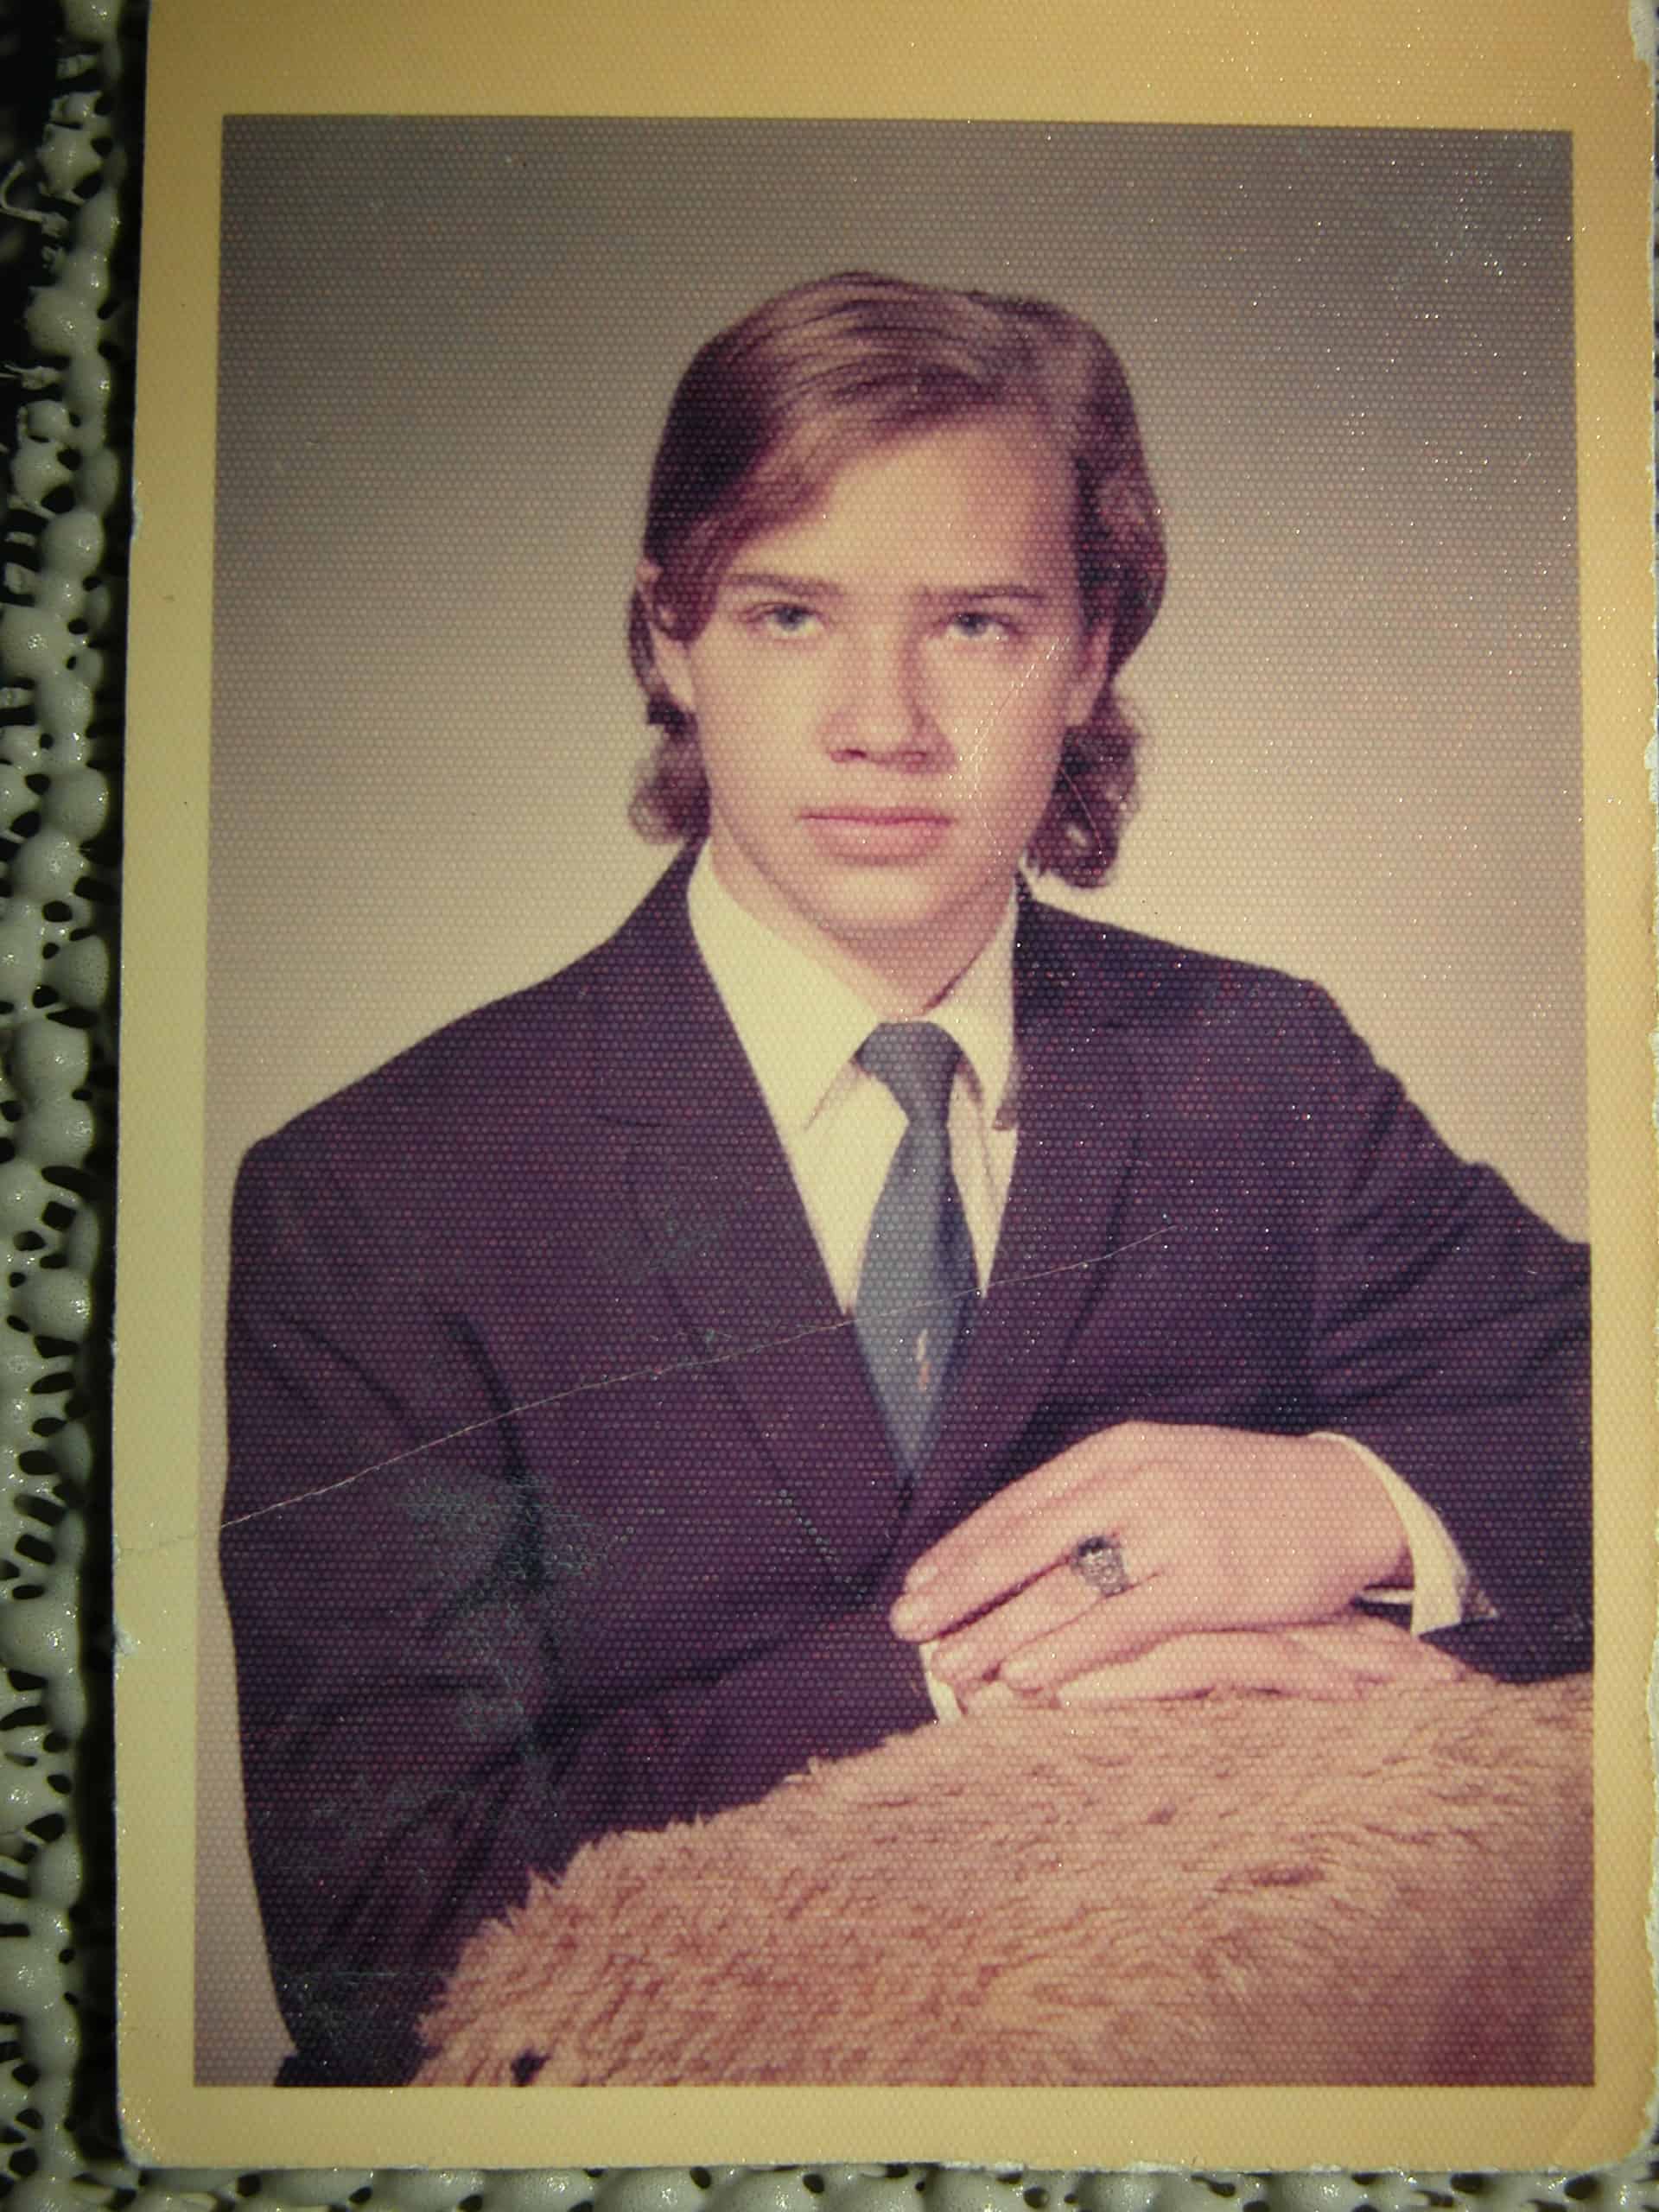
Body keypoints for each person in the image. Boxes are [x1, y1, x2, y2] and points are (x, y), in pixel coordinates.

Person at [220, 272, 1590, 2087]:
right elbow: (375, 1929)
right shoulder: (376, 1196)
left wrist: (1337, 1506)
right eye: (790, 614)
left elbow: (1618, 1411)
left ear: (1089, 655)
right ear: (668, 636)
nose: (884, 721)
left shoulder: (1261, 1072)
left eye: (978, 623)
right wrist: (977, 1673)